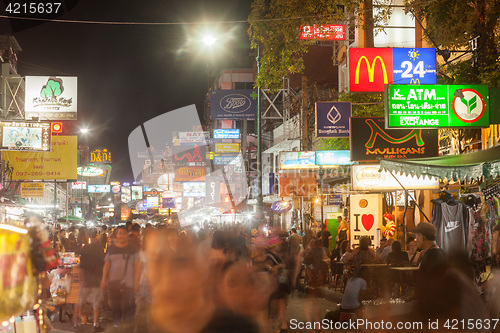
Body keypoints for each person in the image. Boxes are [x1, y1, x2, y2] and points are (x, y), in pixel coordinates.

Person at [144, 229, 259, 333]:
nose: (167, 274)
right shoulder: (145, 326)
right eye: (156, 263)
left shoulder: (236, 327)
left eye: (180, 263)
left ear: (197, 269)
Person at [100, 226, 140, 327]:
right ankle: (118, 324)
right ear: (116, 235)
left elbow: (137, 266)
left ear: (127, 235)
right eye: (119, 233)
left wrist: (136, 283)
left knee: (127, 307)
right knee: (115, 307)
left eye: (123, 233)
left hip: (128, 284)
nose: (121, 235)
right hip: (113, 283)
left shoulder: (133, 249)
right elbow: (107, 265)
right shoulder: (111, 248)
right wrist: (103, 280)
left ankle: (126, 326)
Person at [76, 230, 105, 332]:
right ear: (96, 238)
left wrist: (81, 279)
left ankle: (76, 322)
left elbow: (81, 265)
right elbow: (103, 264)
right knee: (96, 303)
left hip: (86, 278)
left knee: (81, 300)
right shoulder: (99, 248)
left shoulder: (85, 248)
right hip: (96, 279)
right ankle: (95, 324)